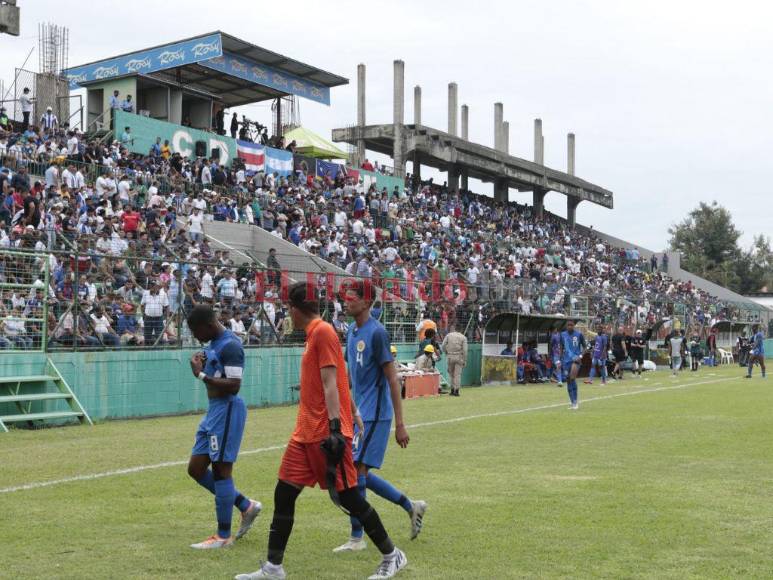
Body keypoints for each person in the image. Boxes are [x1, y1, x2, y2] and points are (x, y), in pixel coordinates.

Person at [235, 282, 407, 580]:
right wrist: (352, 410)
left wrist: (337, 428)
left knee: (350, 497)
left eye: (288, 307)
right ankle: (274, 568)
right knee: (284, 493)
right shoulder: (317, 334)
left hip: (325, 433)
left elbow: (330, 383)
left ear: (295, 308)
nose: (287, 312)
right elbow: (339, 377)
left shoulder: (324, 332)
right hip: (304, 434)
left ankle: (393, 555)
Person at [333, 279, 426, 553]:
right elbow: (351, 375)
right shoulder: (351, 331)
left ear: (366, 302)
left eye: (352, 298)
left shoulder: (377, 333)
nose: (347, 301)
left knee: (355, 472)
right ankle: (411, 506)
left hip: (376, 414)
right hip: (359, 413)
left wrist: (400, 424)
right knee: (357, 472)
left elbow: (393, 379)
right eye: (346, 297)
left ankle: (357, 537)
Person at [185, 305, 262, 549]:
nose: (196, 336)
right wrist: (203, 363)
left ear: (208, 325)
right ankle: (245, 505)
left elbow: (234, 385)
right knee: (196, 469)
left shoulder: (231, 345)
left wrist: (200, 375)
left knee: (221, 470)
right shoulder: (213, 344)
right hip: (214, 411)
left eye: (196, 331)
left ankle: (223, 536)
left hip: (227, 409)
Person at [559, 319, 586, 410]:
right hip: (566, 361)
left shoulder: (579, 334)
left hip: (576, 360)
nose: (570, 326)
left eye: (571, 325)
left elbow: (585, 346)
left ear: (574, 326)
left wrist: (581, 356)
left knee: (572, 378)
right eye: (568, 325)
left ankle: (575, 402)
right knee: (568, 381)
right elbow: (561, 348)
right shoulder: (562, 335)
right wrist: (559, 360)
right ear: (566, 326)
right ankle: (572, 402)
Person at [441, 325, 467, 397]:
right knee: (457, 375)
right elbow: (465, 350)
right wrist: (464, 360)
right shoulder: (463, 337)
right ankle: (456, 391)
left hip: (450, 356)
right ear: (461, 330)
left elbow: (443, 346)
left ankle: (452, 390)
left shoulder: (449, 335)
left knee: (451, 374)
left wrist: (446, 352)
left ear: (454, 329)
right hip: (459, 357)